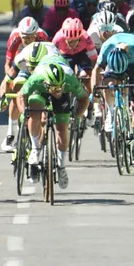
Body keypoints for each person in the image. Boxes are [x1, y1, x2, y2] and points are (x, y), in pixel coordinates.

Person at [18, 57, 87, 190]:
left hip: (63, 90)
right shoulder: (36, 79)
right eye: (54, 88)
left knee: (62, 128)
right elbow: (20, 95)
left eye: (59, 88)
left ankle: (61, 166)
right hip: (40, 91)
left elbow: (84, 98)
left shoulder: (69, 79)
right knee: (35, 110)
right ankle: (35, 148)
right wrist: (23, 113)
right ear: (46, 83)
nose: (57, 91)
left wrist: (77, 116)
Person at [91, 31, 134, 158]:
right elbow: (96, 70)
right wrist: (95, 90)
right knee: (108, 83)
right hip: (113, 66)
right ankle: (111, 111)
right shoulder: (107, 47)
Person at [1, 16, 50, 152]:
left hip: (38, 64)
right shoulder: (15, 37)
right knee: (17, 89)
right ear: (20, 34)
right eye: (25, 37)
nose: (27, 40)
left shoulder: (43, 37)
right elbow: (8, 64)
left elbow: (49, 60)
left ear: (36, 34)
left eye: (30, 37)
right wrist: (9, 82)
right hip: (21, 63)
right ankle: (10, 134)